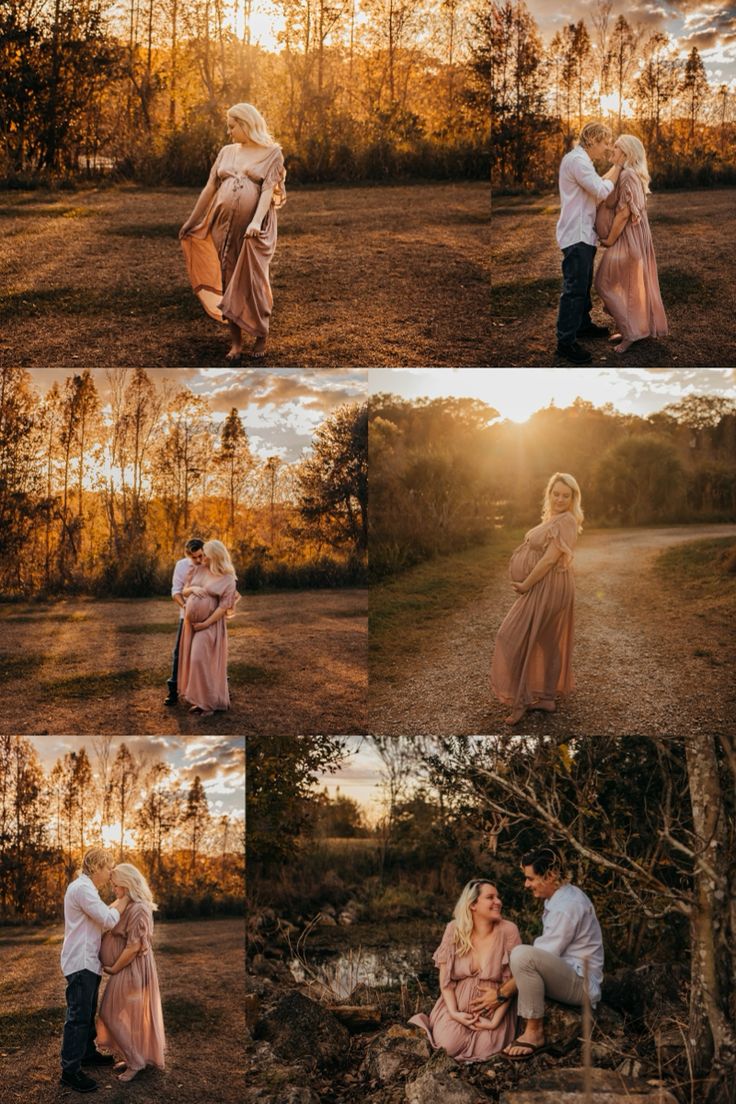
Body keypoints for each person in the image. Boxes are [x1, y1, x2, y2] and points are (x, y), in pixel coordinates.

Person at [179, 102, 286, 364]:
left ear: (246, 124)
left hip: (253, 230)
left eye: (232, 126)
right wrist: (192, 221)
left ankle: (261, 334)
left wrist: (255, 222)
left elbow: (266, 193)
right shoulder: (226, 153)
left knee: (253, 278)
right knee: (228, 279)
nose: (229, 132)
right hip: (221, 226)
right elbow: (209, 189)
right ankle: (236, 343)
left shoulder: (272, 153)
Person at [482, 847, 604, 1062]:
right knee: (522, 957)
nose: (526, 884)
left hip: (581, 984)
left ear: (550, 875)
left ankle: (534, 1032)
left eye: (530, 878)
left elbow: (539, 956)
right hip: (568, 974)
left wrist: (501, 994)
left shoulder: (567, 906)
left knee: (522, 955)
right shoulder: (560, 898)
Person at [490, 473, 582, 726]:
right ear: (549, 493)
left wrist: (525, 584)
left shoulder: (567, 521)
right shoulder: (554, 518)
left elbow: (550, 559)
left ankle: (521, 702)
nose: (560, 498)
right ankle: (548, 698)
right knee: (547, 642)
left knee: (509, 637)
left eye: (566, 495)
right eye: (556, 493)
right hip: (551, 585)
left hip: (547, 586)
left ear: (573, 498)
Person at [408, 880, 521, 1061]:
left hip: (496, 1010)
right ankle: (444, 1021)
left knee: (486, 1052)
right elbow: (445, 982)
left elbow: (515, 981)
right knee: (447, 1047)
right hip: (457, 1007)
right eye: (490, 897)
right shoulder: (454, 929)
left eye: (498, 897)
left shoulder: (509, 930)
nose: (498, 902)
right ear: (473, 904)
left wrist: (494, 1022)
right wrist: (454, 1013)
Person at [60, 848, 131, 1094]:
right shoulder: (82, 889)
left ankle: (86, 1055)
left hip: (88, 961)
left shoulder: (86, 889)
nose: (109, 873)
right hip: (80, 962)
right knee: (78, 1016)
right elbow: (109, 919)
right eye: (107, 867)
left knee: (87, 1012)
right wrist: (124, 900)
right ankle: (69, 1071)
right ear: (96, 867)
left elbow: (101, 917)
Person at [555, 122, 624, 365]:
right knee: (574, 288)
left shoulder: (581, 161)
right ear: (592, 139)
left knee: (582, 286)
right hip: (576, 234)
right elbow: (601, 190)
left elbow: (596, 188)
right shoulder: (578, 161)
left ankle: (582, 326)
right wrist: (618, 165)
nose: (606, 148)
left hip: (584, 233)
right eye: (605, 142)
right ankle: (565, 342)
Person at [594, 134, 668, 355]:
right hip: (632, 239)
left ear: (626, 153)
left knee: (604, 283)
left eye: (616, 148)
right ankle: (629, 327)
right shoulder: (627, 173)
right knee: (626, 286)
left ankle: (630, 333)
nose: (612, 151)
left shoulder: (628, 176)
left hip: (628, 240)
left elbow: (624, 214)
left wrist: (609, 239)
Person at [96, 864, 166, 1083]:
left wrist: (114, 967)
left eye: (116, 886)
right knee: (125, 1014)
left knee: (110, 1012)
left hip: (132, 967)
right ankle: (132, 1056)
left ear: (126, 885)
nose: (113, 889)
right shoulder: (125, 903)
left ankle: (136, 1061)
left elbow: (134, 946)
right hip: (125, 967)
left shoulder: (140, 909)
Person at [177, 539, 241, 717]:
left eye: (205, 554)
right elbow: (185, 591)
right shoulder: (200, 569)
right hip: (193, 625)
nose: (201, 557)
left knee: (201, 660)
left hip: (210, 625)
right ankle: (200, 701)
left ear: (215, 557)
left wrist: (206, 623)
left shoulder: (228, 578)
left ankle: (211, 703)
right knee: (194, 662)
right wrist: (193, 589)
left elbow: (223, 607)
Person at [164, 538, 205, 707]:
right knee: (179, 652)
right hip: (186, 615)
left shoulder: (210, 561)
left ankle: (217, 686)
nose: (199, 560)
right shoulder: (181, 566)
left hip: (208, 616)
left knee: (208, 651)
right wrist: (185, 606)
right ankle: (173, 691)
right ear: (187, 555)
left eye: (201, 556)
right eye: (194, 557)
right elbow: (175, 591)